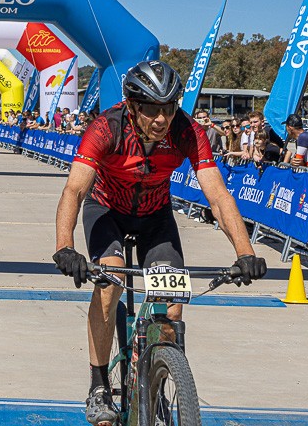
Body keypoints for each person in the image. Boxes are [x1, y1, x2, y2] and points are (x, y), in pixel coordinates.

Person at [52, 60, 265, 425]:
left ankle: (160, 376)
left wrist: (245, 252)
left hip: (155, 216)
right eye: (152, 109)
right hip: (107, 210)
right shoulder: (106, 127)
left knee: (173, 304)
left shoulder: (187, 130)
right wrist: (64, 247)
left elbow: (217, 195)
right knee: (110, 281)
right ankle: (99, 385)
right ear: (132, 106)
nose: (162, 118)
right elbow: (74, 189)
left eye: (169, 107)